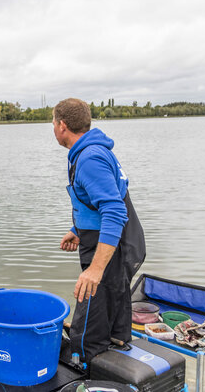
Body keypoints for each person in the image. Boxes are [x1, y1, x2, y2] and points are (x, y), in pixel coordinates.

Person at [52, 98, 146, 364]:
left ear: (62, 125)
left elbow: (115, 211)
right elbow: (99, 202)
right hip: (107, 241)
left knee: (86, 335)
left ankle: (90, 374)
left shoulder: (90, 158)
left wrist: (95, 269)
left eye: (53, 123)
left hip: (112, 248)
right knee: (106, 321)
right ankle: (111, 364)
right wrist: (78, 230)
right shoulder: (89, 151)